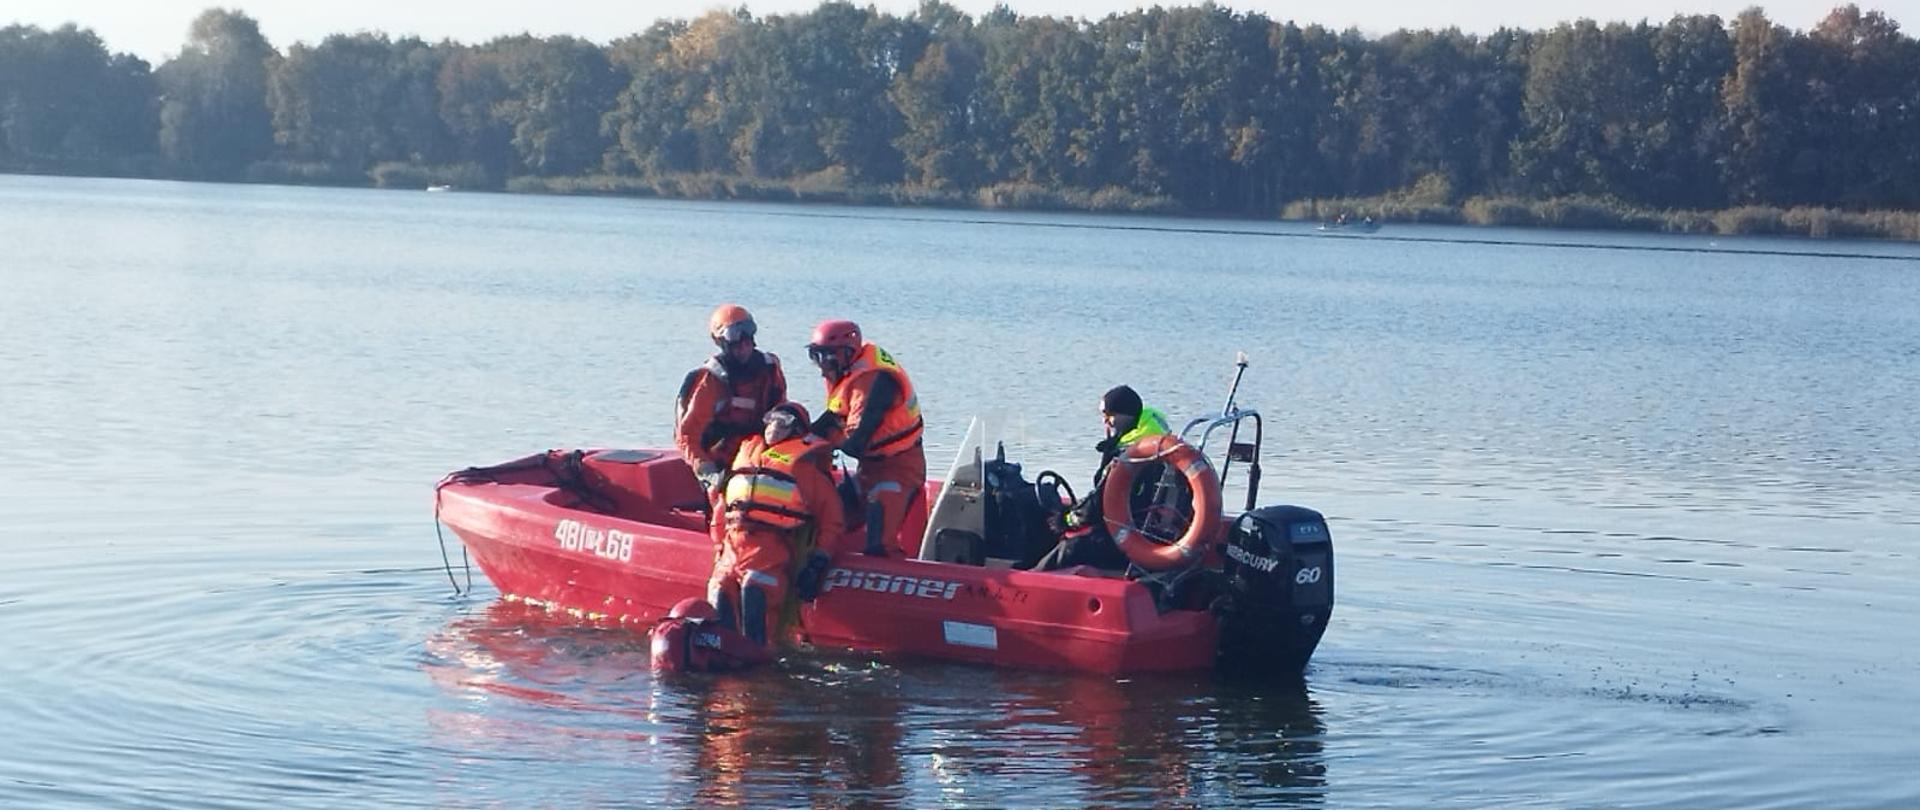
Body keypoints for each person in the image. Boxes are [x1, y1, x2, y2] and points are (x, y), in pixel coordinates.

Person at [707, 401, 844, 649]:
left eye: (783, 422)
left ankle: (758, 665)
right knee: (720, 590)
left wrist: (818, 561)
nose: (774, 427)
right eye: (771, 420)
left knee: (755, 592)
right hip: (731, 549)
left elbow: (832, 519)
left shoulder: (805, 470)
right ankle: (726, 661)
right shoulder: (745, 458)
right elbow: (722, 509)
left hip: (770, 551)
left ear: (796, 431)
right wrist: (718, 546)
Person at [805, 319, 927, 557]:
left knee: (880, 542)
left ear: (847, 352)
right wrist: (801, 437)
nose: (822, 366)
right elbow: (834, 416)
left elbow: (855, 444)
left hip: (899, 469)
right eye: (816, 357)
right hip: (868, 469)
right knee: (824, 518)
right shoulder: (851, 371)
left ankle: (889, 581)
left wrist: (826, 438)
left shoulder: (873, 380)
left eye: (826, 357)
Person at [1035, 385, 1175, 571]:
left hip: (1126, 537)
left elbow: (1100, 502)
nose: (1105, 422)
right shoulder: (1159, 444)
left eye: (1109, 415)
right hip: (1149, 532)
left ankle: (1027, 578)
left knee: (1070, 548)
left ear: (1126, 415)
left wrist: (1066, 519)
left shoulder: (1130, 455)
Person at [676, 304, 787, 495]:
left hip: (762, 453)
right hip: (722, 463)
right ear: (721, 342)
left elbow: (782, 410)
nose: (744, 347)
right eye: (736, 342)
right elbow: (687, 437)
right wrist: (709, 473)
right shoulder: (711, 380)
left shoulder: (770, 368)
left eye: (747, 340)